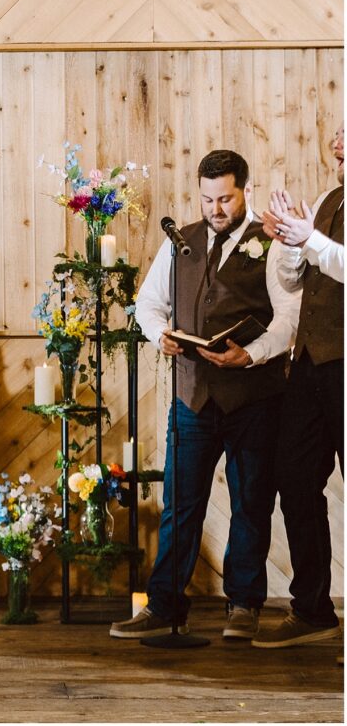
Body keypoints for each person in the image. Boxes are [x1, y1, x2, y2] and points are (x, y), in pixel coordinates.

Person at [109, 150, 301, 641]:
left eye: (226, 198)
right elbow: (148, 304)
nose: (215, 209)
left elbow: (288, 319)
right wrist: (161, 335)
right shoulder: (181, 241)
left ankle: (243, 606)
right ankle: (165, 606)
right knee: (181, 505)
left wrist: (252, 354)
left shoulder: (272, 241)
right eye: (207, 199)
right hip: (192, 399)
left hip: (253, 397)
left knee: (251, 505)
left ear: (246, 191)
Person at [252, 125, 344, 648]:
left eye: (345, 134)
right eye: (334, 133)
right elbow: (292, 283)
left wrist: (309, 238)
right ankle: (312, 608)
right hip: (310, 364)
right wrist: (289, 243)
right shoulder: (332, 199)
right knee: (294, 474)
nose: (335, 141)